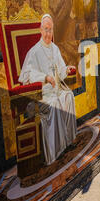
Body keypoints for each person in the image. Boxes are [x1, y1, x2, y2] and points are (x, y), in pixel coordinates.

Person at [18, 14, 77, 166]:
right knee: (55, 103)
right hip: (41, 94)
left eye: (50, 30)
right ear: (40, 30)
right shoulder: (34, 51)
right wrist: (44, 78)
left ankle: (69, 141)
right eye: (45, 29)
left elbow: (60, 71)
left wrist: (67, 69)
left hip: (56, 90)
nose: (48, 33)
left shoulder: (55, 48)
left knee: (69, 96)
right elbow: (26, 75)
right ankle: (56, 151)